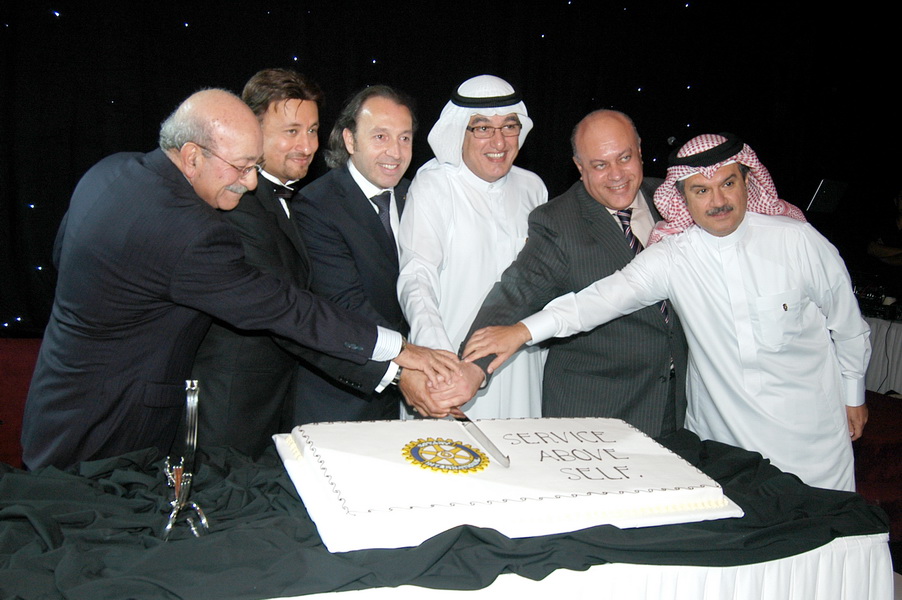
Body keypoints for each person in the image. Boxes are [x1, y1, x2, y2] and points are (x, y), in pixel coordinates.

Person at [22, 88, 459, 470]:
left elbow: (62, 254)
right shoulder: (190, 233)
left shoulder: (111, 170)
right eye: (242, 167)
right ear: (192, 156)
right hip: (112, 424)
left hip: (55, 399)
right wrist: (399, 350)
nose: (251, 182)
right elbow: (284, 309)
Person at [465, 133, 870, 492]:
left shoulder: (798, 242)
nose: (718, 201)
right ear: (682, 197)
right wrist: (521, 331)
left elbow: (849, 327)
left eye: (728, 184)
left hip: (812, 438)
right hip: (725, 444)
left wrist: (853, 397)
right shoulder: (674, 257)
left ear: (748, 181)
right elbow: (596, 301)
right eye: (701, 190)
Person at [191, 70, 406, 457]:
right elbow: (287, 313)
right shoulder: (236, 203)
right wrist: (396, 370)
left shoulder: (290, 200)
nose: (306, 145)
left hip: (280, 403)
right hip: (232, 410)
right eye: (291, 131)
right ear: (253, 129)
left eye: (312, 130)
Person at [460, 110, 688, 437]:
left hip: (675, 408)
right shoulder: (558, 222)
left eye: (624, 158)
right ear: (580, 168)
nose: (616, 175)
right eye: (600, 165)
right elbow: (514, 294)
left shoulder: (672, 201)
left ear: (639, 151)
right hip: (596, 416)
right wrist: (472, 368)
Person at [396, 74, 548, 419]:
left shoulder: (533, 188)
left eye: (509, 126)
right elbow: (417, 277)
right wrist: (439, 363)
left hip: (520, 368)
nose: (499, 141)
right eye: (482, 128)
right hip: (449, 369)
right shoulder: (434, 184)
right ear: (459, 132)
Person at [293, 85, 438, 422]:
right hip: (345, 400)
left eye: (404, 138)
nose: (395, 152)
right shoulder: (316, 206)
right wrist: (415, 362)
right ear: (350, 140)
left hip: (412, 398)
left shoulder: (419, 196)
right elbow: (346, 305)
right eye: (380, 137)